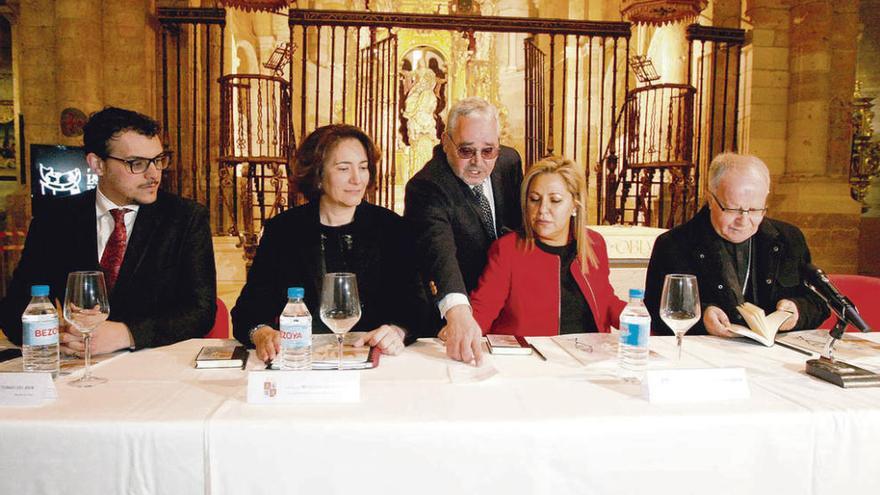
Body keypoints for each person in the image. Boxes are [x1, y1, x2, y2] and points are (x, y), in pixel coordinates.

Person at [0, 107, 217, 355]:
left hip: (153, 368)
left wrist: (126, 333)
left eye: (158, 160)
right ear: (97, 164)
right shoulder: (55, 219)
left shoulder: (185, 218)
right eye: (136, 163)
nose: (153, 174)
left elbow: (201, 311)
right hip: (75, 369)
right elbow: (15, 309)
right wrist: (58, 332)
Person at [232, 124, 427, 362]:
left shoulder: (392, 229)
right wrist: (261, 333)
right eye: (344, 168)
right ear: (318, 175)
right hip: (302, 361)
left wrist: (397, 331)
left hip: (378, 361)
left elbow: (418, 308)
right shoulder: (283, 231)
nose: (357, 179)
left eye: (363, 168)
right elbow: (247, 312)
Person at [644, 152, 829, 337]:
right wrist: (702, 317)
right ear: (711, 200)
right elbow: (656, 313)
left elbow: (819, 303)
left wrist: (797, 311)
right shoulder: (674, 244)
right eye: (733, 209)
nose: (744, 220)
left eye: (755, 210)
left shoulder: (789, 238)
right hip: (706, 356)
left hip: (774, 356)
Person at [404, 97, 523, 365]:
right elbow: (438, 250)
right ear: (446, 142)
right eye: (466, 151)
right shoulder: (427, 187)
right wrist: (458, 312)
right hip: (454, 324)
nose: (478, 162)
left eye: (488, 150)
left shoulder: (509, 162)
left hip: (504, 318)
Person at [470, 156, 626, 335]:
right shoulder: (508, 250)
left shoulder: (594, 244)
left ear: (575, 206)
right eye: (534, 199)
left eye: (555, 200)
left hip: (590, 356)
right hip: (529, 359)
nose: (542, 209)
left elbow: (606, 301)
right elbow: (483, 309)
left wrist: (643, 322)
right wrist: (464, 330)